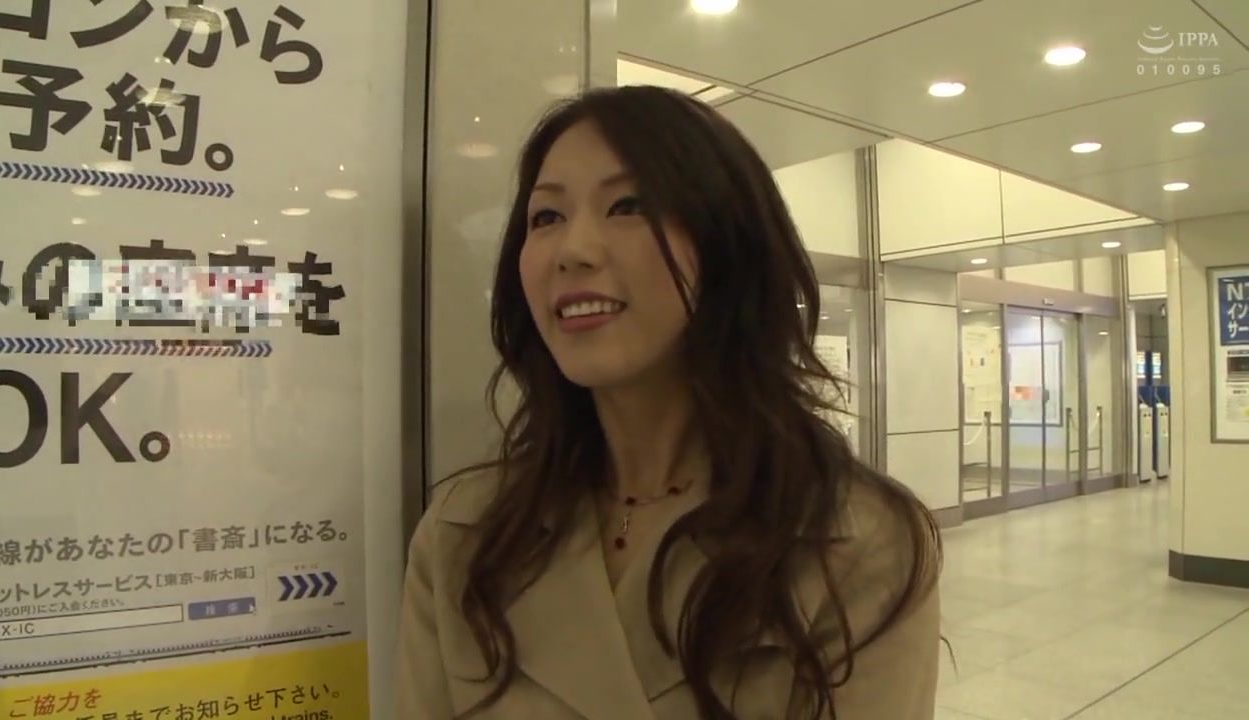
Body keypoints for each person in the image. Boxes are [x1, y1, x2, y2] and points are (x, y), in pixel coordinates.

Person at [395, 85, 941, 719]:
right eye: (546, 217)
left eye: (628, 206)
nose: (573, 250)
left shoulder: (857, 544)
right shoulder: (464, 535)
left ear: (727, 245)